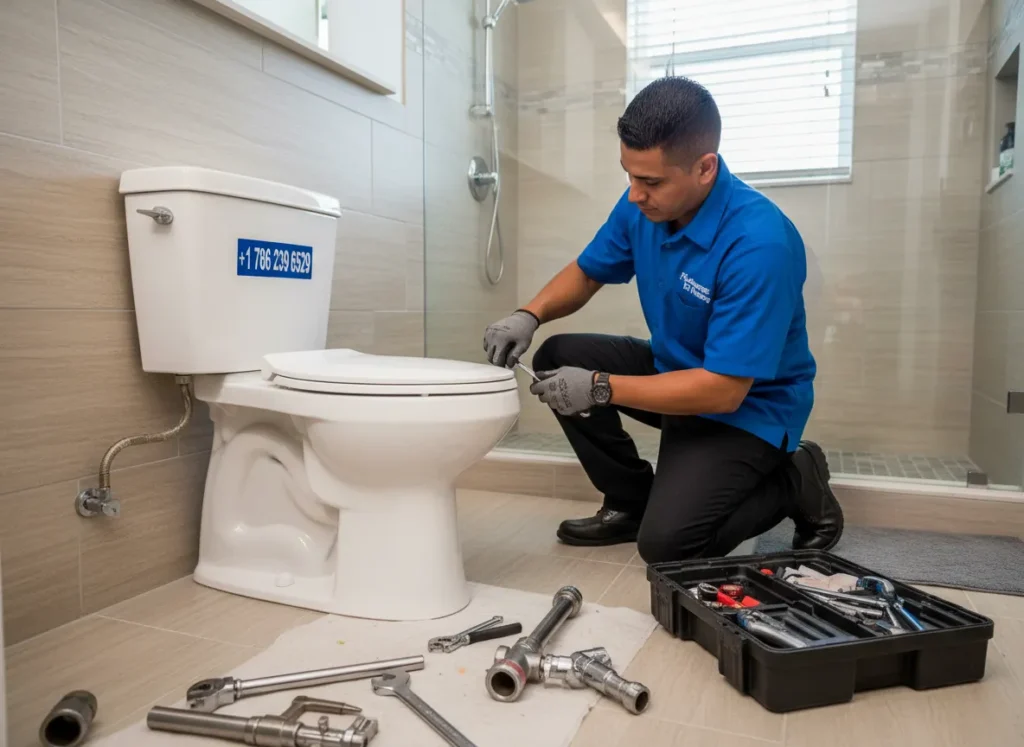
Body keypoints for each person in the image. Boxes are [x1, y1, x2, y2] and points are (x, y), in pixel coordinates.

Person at [482, 77, 843, 564]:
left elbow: (724, 390)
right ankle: (631, 503)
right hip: (677, 374)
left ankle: (796, 478)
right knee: (557, 354)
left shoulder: (759, 244)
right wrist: (529, 314)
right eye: (629, 175)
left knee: (671, 547)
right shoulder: (645, 207)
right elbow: (589, 273)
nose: (634, 195)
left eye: (650, 181)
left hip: (748, 409)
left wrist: (600, 386)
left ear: (705, 168)